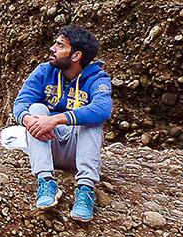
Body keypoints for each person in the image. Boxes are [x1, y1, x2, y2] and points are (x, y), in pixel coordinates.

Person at [11, 26, 113, 222]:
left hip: (79, 150)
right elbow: (21, 103)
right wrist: (29, 120)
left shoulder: (97, 79)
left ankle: (85, 189)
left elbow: (103, 108)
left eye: (59, 45)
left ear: (76, 55)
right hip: (49, 145)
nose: (52, 48)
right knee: (36, 110)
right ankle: (46, 181)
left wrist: (56, 119)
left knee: (92, 121)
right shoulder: (44, 72)